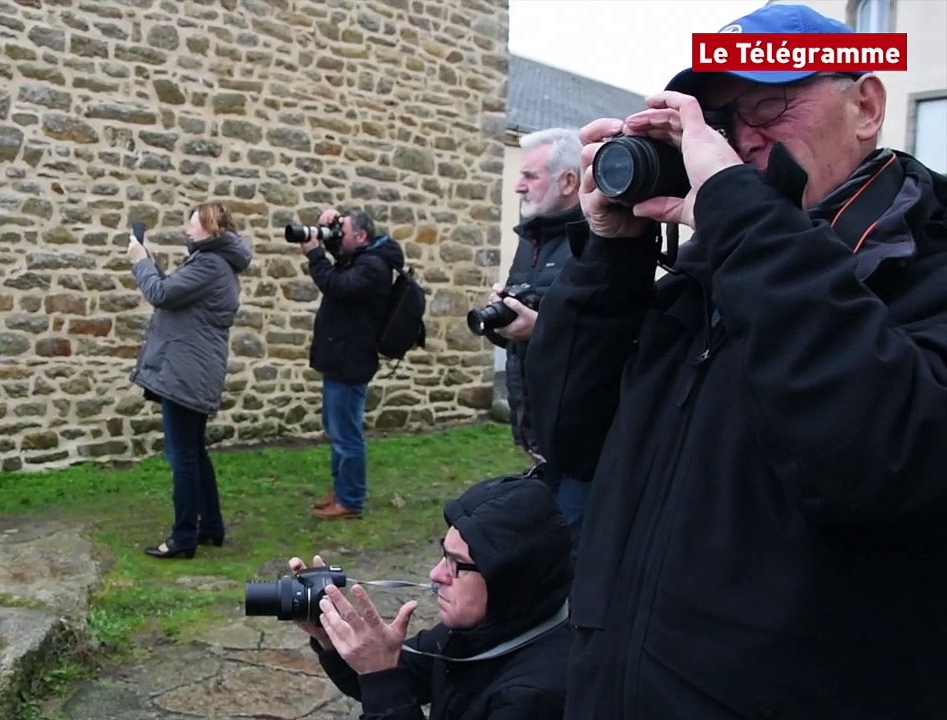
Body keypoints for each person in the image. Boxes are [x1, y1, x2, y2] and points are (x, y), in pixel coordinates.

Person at [524, 5, 947, 719]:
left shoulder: (922, 264)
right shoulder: (708, 270)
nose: (745, 143)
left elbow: (887, 463)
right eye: (721, 123)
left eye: (771, 106)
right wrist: (613, 255)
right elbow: (569, 435)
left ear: (867, 106)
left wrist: (740, 216)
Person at [289, 475, 573, 719]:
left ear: (509, 580)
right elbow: (396, 680)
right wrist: (332, 638)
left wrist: (381, 674)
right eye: (443, 554)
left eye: (457, 564)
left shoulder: (533, 698)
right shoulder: (485, 629)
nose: (436, 574)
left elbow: (387, 684)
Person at [483, 127, 589, 561]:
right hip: (538, 429)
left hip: (582, 439)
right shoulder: (531, 238)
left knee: (572, 551)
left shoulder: (599, 239)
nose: (518, 184)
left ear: (569, 182)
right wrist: (502, 320)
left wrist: (540, 329)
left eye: (530, 174)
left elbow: (610, 335)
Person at [129, 202, 251, 559]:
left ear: (212, 231)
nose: (187, 230)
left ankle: (184, 537)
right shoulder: (213, 263)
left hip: (186, 374)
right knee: (194, 452)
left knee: (182, 455)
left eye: (193, 225)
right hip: (192, 371)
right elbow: (175, 292)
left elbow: (161, 294)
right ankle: (210, 526)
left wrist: (140, 261)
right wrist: (151, 263)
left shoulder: (211, 264)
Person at [301, 207, 404, 520]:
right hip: (341, 358)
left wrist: (315, 254)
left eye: (342, 231)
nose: (337, 237)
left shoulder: (373, 266)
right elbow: (341, 263)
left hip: (351, 360)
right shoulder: (362, 258)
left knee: (347, 434)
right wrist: (328, 227)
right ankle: (341, 490)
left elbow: (337, 286)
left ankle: (351, 500)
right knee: (338, 430)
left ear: (361, 236)